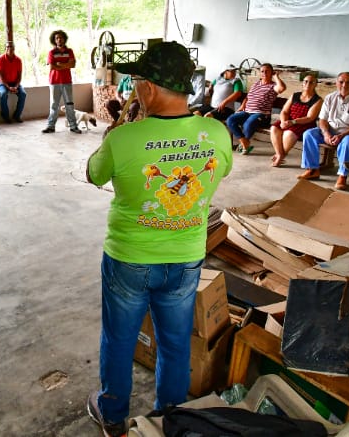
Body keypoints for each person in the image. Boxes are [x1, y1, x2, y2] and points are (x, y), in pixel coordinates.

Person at [85, 41, 233, 437]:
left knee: (119, 338)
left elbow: (93, 174)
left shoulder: (124, 139)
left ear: (148, 89)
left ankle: (113, 413)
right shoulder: (217, 132)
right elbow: (221, 174)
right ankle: (172, 414)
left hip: (129, 258)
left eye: (137, 83)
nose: (134, 90)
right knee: (174, 339)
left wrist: (119, 131)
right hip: (185, 258)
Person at [298, 72, 349, 190]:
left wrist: (342, 135)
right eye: (341, 82)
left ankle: (342, 175)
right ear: (336, 83)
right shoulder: (330, 97)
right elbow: (322, 119)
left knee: (347, 143)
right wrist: (326, 133)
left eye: (348, 82)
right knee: (308, 134)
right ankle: (312, 169)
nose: (344, 85)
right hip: (331, 131)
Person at [226, 63, 286, 154]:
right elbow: (247, 98)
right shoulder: (256, 84)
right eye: (262, 71)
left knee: (248, 123)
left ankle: (244, 145)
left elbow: (282, 88)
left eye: (267, 71)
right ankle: (244, 142)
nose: (264, 73)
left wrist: (276, 76)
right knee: (230, 120)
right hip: (247, 112)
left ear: (271, 73)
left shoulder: (273, 86)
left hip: (262, 115)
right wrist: (242, 106)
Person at [270, 74, 322, 167]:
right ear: (302, 83)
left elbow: (310, 118)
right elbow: (284, 111)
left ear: (315, 85)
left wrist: (293, 122)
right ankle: (279, 154)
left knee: (289, 133)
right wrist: (283, 121)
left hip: (304, 124)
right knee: (274, 128)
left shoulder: (317, 100)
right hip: (288, 120)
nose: (308, 84)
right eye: (306, 81)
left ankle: (280, 157)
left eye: (311, 82)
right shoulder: (295, 95)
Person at [42, 29, 81, 134]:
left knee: (69, 104)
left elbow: (73, 65)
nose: (59, 39)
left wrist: (60, 65)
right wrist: (65, 65)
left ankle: (73, 126)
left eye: (60, 37)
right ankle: (50, 126)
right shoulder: (52, 52)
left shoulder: (70, 51)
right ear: (54, 40)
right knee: (54, 105)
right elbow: (51, 67)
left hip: (67, 81)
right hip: (54, 82)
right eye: (56, 38)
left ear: (64, 39)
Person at [0, 41, 26, 123]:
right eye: (8, 47)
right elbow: (1, 77)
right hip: (2, 82)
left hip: (14, 82)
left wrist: (16, 86)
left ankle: (17, 115)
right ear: (5, 48)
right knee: (3, 93)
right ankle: (5, 116)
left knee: (23, 94)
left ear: (14, 48)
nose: (10, 48)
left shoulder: (18, 60)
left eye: (11, 47)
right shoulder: (0, 59)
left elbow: (19, 76)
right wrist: (8, 87)